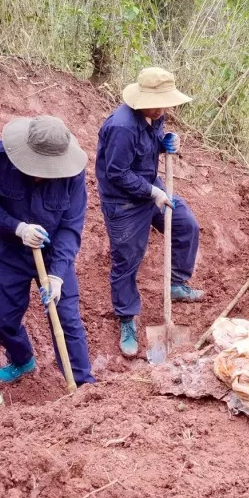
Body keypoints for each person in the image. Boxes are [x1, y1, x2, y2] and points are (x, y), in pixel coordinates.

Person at [0, 116, 95, 386]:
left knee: (66, 320)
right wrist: (17, 228)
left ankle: (84, 387)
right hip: (9, 248)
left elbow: (71, 227)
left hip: (53, 254)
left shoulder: (74, 173)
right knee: (1, 319)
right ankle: (22, 358)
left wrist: (58, 276)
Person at [95, 67, 205, 358]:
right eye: (162, 102)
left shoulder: (155, 115)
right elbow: (116, 172)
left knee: (186, 225)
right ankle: (127, 318)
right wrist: (152, 192)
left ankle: (176, 282)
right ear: (142, 100)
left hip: (150, 185)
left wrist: (166, 143)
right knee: (127, 259)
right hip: (124, 202)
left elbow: (149, 146)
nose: (166, 108)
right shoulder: (121, 127)